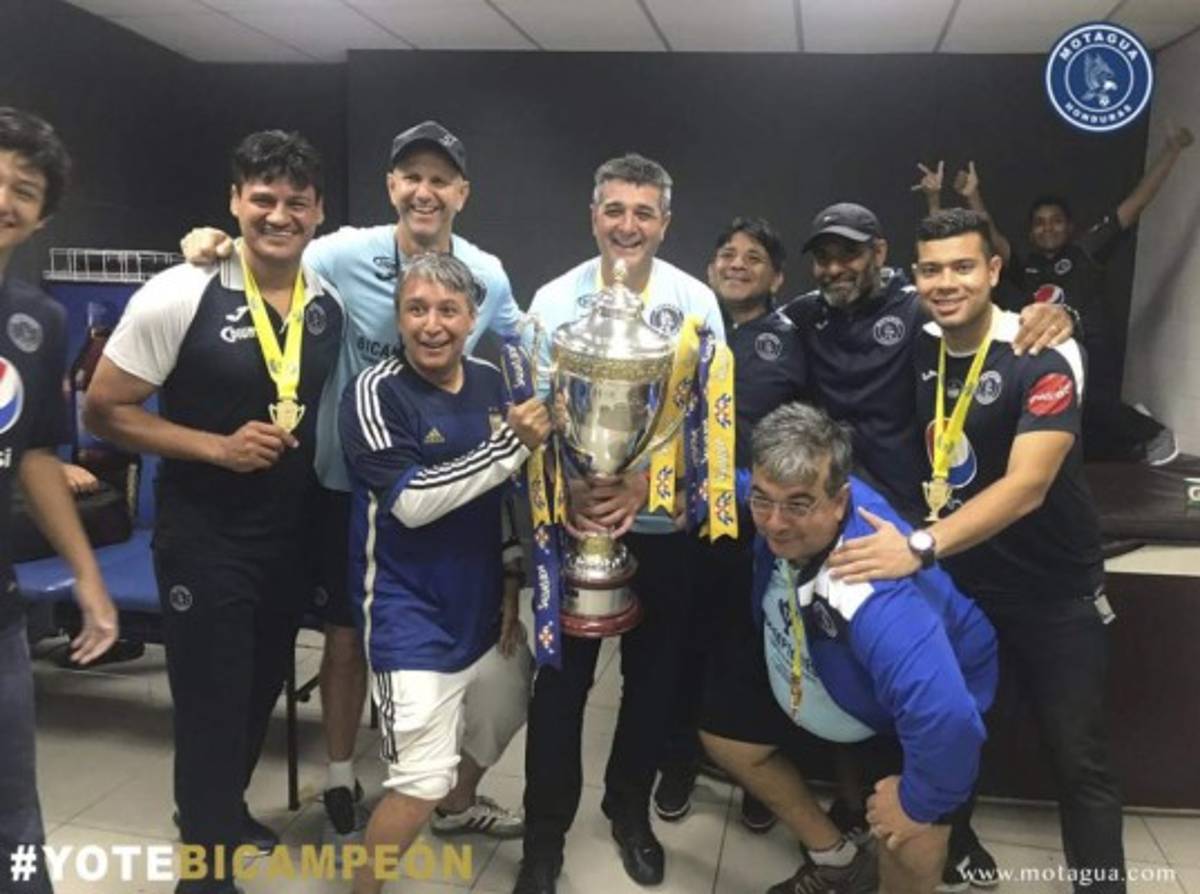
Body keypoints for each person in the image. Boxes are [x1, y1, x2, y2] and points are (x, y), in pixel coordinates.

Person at [180, 120, 526, 843]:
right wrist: (210, 243)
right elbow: (263, 248)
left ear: (462, 192)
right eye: (412, 177)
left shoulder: (487, 275)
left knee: (452, 632)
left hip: (437, 473)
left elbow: (531, 349)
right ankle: (341, 773)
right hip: (337, 477)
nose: (424, 191)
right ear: (391, 186)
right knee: (344, 634)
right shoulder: (342, 251)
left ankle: (436, 778)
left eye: (440, 179)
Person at [829, 208, 1124, 894]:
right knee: (942, 735)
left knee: (1079, 761)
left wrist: (920, 546)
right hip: (964, 590)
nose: (946, 281)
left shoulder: (1039, 353)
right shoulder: (918, 343)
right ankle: (952, 852)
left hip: (1054, 596)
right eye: (931, 268)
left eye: (964, 266)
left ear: (994, 270)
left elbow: (1027, 486)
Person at [86, 130, 344, 893]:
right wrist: (214, 448)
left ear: (318, 212)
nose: (278, 214)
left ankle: (219, 814)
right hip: (206, 538)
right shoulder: (178, 291)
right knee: (211, 707)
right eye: (261, 198)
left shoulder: (322, 303)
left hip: (288, 539)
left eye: (295, 202)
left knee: (260, 689)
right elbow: (106, 410)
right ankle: (203, 873)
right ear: (235, 203)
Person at [514, 153, 725, 894]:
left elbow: (714, 421)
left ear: (665, 222)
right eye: (614, 209)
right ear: (593, 214)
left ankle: (627, 810)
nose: (627, 225)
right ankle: (544, 837)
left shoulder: (697, 303)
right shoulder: (552, 301)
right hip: (573, 525)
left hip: (664, 526)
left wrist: (647, 478)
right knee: (559, 688)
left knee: (653, 681)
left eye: (643, 212)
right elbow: (533, 413)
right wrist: (569, 485)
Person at [701, 401, 997, 894]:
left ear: (839, 501)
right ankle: (836, 859)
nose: (774, 523)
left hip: (934, 697)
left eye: (798, 504)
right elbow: (732, 488)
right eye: (763, 500)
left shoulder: (872, 593)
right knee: (727, 733)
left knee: (907, 842)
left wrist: (916, 803)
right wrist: (656, 487)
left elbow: (948, 718)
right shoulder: (785, 506)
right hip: (839, 668)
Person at [339, 251, 547, 893]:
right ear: (399, 318)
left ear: (472, 317)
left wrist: (512, 581)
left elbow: (507, 500)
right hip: (410, 617)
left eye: (447, 310)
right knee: (417, 781)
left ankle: (459, 810)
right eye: (416, 309)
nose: (432, 324)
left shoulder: (492, 381)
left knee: (503, 712)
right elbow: (412, 501)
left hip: (486, 608)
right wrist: (511, 445)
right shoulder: (374, 392)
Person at [654, 217, 810, 833]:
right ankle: (678, 758)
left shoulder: (789, 339)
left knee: (752, 648)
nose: (737, 264)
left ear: (777, 277)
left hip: (759, 525)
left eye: (753, 257)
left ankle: (757, 772)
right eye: (727, 254)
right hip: (686, 519)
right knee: (682, 642)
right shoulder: (691, 329)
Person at [916, 124, 1195, 463]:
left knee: (1090, 405)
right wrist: (971, 195)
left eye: (1056, 221)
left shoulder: (1085, 251)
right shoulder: (1024, 265)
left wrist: (1172, 151)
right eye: (1039, 222)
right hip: (1039, 344)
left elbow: (1134, 205)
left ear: (1070, 226)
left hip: (1087, 343)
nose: (1047, 227)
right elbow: (985, 235)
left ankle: (1149, 431)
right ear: (1031, 232)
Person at [0, 105, 119, 894]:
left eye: (24, 188)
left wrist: (88, 578)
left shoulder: (34, 322)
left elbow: (35, 454)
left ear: (42, 215)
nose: (5, 197)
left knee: (13, 818)